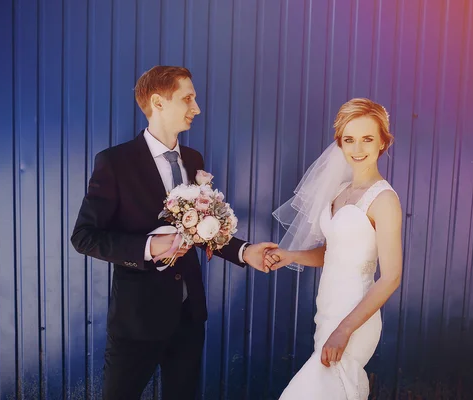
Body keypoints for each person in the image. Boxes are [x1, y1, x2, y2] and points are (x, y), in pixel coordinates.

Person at [70, 65, 276, 399]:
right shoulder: (114, 162)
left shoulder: (193, 159)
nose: (196, 108)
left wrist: (244, 251)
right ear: (158, 102)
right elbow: (84, 236)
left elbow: (203, 228)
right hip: (136, 320)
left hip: (188, 315)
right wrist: (151, 247)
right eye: (188, 99)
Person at [265, 98, 403, 399]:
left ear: (383, 142)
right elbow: (333, 253)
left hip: (353, 317)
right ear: (339, 143)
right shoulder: (340, 191)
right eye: (349, 139)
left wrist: (344, 330)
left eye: (367, 139)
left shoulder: (384, 200)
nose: (357, 149)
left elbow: (391, 277)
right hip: (327, 311)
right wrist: (291, 254)